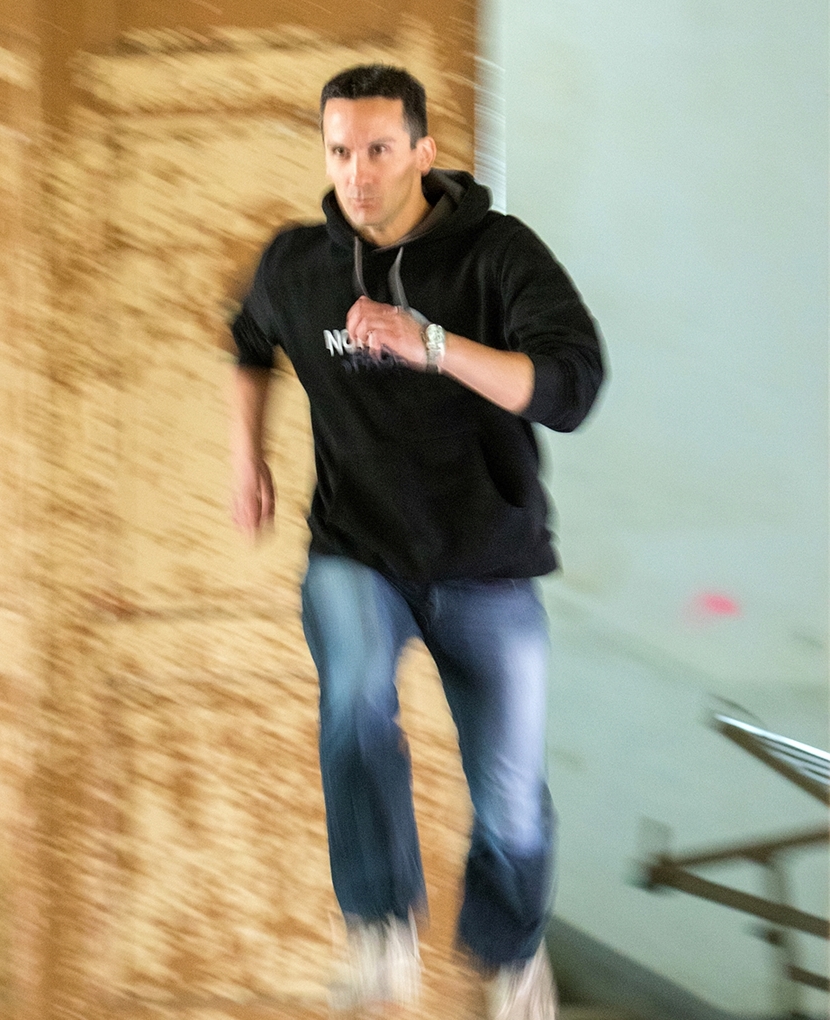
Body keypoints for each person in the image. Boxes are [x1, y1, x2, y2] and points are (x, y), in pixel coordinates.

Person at [229, 63, 603, 1020]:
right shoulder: (298, 263)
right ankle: (380, 927)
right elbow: (248, 340)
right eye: (339, 151)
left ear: (423, 152)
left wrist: (430, 344)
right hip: (358, 549)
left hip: (488, 561)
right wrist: (247, 457)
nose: (357, 173)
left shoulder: (498, 254)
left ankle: (509, 950)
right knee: (354, 700)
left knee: (511, 800)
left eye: (379, 150)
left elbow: (571, 388)